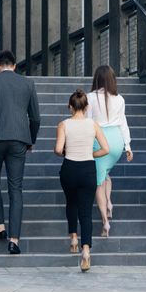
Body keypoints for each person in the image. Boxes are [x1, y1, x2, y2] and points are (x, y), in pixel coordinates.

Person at [0, 49, 41, 255]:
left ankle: (0, 227)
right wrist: (30, 139)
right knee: (16, 188)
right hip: (19, 139)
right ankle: (14, 240)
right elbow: (36, 118)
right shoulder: (28, 84)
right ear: (14, 65)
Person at [54, 89, 109, 272]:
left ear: (70, 107)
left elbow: (57, 149)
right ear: (86, 107)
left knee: (71, 204)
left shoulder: (63, 124)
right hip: (87, 169)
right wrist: (90, 153)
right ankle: (86, 251)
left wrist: (66, 152)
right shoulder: (93, 125)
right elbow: (106, 149)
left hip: (69, 168)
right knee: (85, 212)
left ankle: (74, 238)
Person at [87, 65, 133, 237]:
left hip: (98, 139)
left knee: (98, 181)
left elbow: (87, 121)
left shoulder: (90, 97)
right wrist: (127, 146)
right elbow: (123, 123)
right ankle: (109, 203)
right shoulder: (119, 99)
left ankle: (105, 222)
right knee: (105, 173)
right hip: (116, 140)